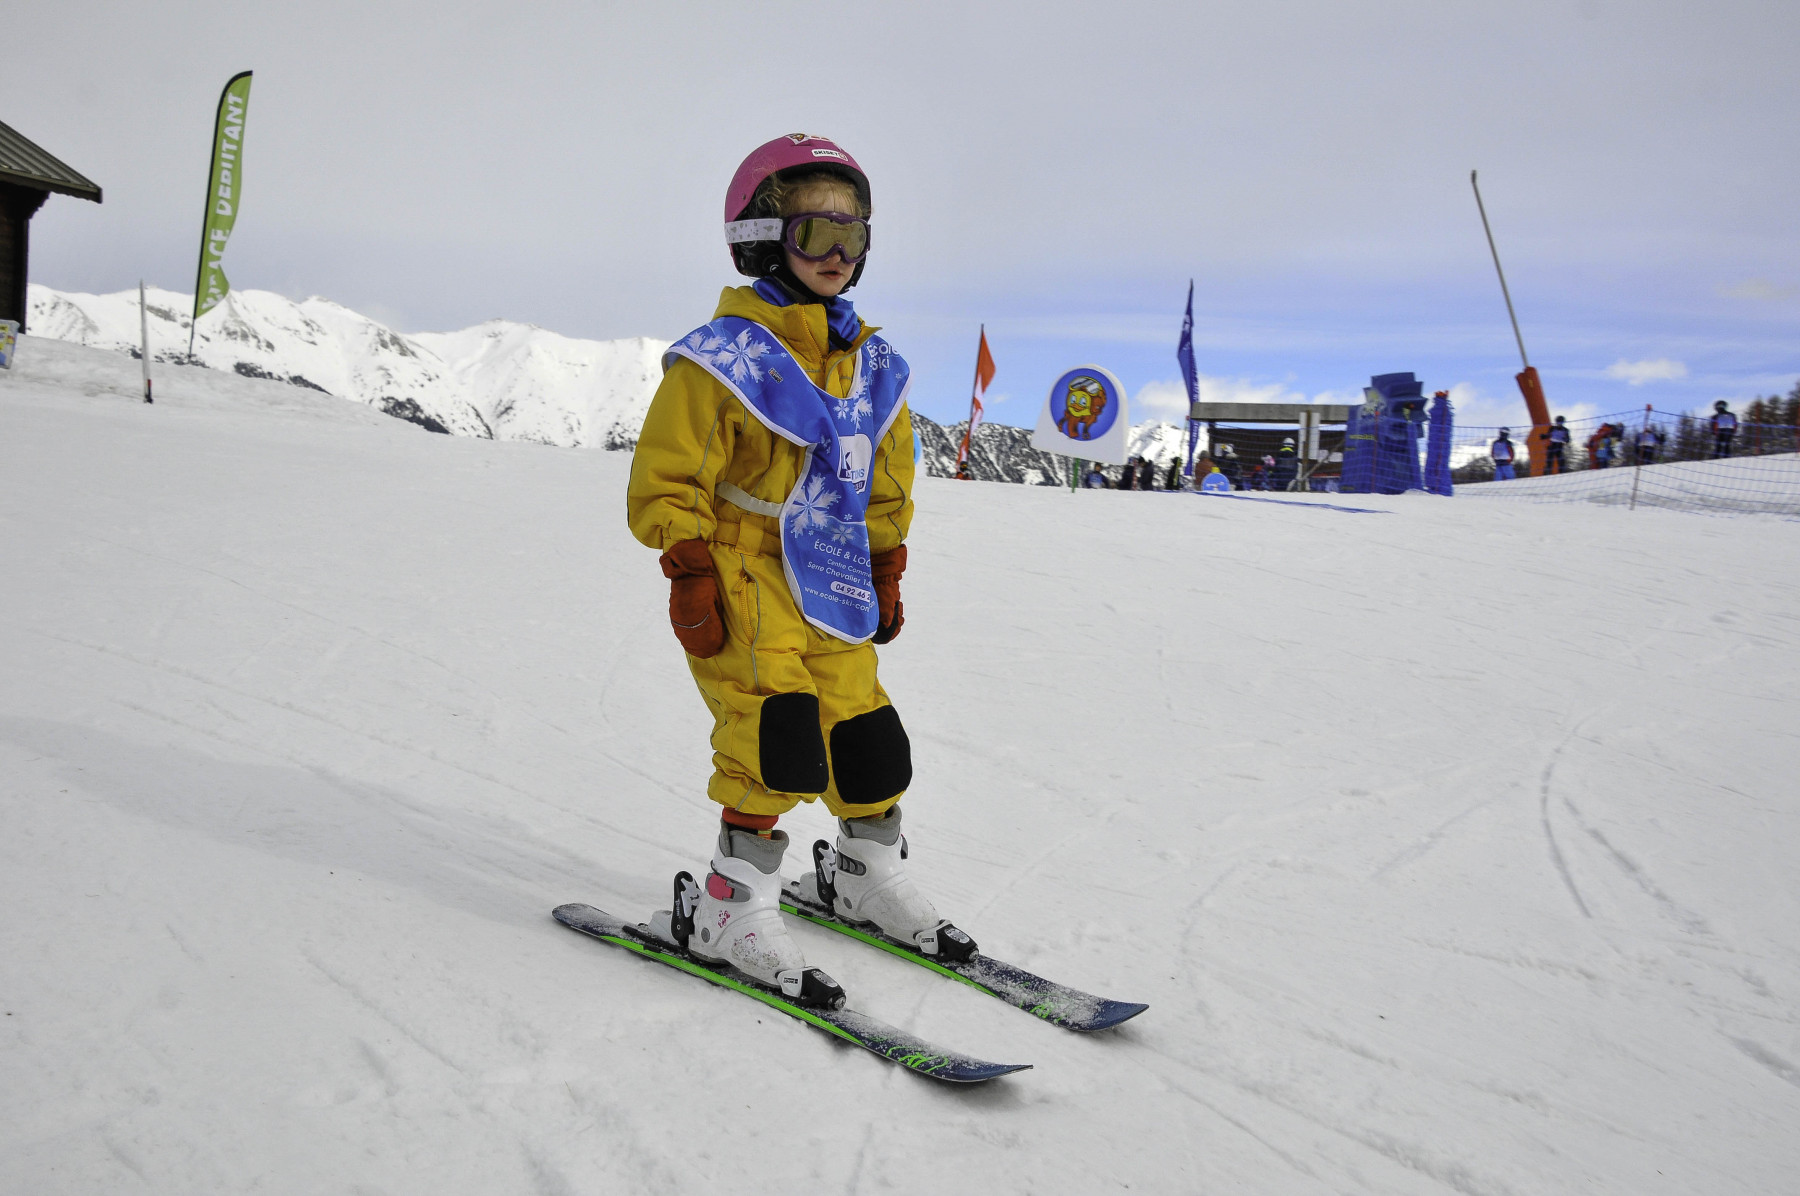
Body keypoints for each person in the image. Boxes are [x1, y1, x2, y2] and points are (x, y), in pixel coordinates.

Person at [626, 135, 974, 1008]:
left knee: (866, 733)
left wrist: (887, 561)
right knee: (774, 733)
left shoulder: (871, 367)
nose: (837, 254)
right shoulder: (723, 359)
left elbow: (886, 478)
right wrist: (688, 567)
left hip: (830, 567)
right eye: (816, 231)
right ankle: (728, 904)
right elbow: (670, 472)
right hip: (743, 569)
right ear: (761, 238)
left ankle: (865, 872)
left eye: (853, 235)